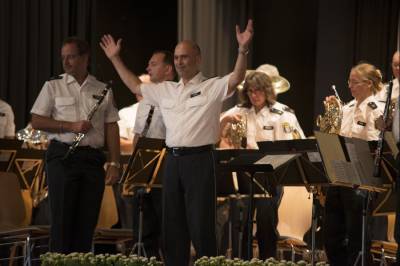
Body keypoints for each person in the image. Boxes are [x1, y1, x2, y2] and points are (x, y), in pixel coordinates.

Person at [100, 19, 253, 266]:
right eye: (178, 57)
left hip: (200, 160)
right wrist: (115, 58)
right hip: (172, 161)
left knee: (201, 224)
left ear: (198, 59)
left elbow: (236, 78)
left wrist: (242, 50)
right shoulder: (165, 90)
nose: (180, 61)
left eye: (185, 57)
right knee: (172, 226)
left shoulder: (210, 86)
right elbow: (134, 85)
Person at [30, 37, 120, 254]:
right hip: (62, 157)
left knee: (86, 223)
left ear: (85, 58)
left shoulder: (102, 88)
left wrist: (115, 161)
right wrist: (70, 125)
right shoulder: (53, 85)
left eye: (71, 56)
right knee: (62, 222)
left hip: (93, 159)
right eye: (63, 57)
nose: (66, 62)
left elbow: (111, 126)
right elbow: (37, 120)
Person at [219, 70, 305, 259]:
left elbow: (294, 147)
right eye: (250, 91)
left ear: (267, 91)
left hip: (271, 174)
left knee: (266, 221)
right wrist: (224, 120)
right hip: (244, 173)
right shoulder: (240, 110)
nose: (254, 95)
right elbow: (213, 132)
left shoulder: (283, 113)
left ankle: (268, 260)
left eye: (258, 91)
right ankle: (241, 261)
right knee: (241, 220)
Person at [101, 44, 175, 258]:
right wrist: (136, 165)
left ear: (168, 70)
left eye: (154, 64)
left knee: (167, 228)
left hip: (166, 167)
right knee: (144, 228)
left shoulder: (175, 94)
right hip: (144, 169)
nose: (148, 68)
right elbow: (138, 136)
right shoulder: (146, 102)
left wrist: (116, 59)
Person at [323, 62, 385, 265]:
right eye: (349, 81)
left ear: (368, 84)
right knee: (331, 236)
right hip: (340, 177)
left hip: (360, 179)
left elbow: (374, 145)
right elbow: (334, 137)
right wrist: (331, 116)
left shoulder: (376, 110)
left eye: (354, 82)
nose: (349, 85)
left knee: (356, 238)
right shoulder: (347, 107)